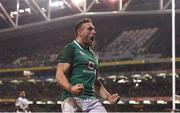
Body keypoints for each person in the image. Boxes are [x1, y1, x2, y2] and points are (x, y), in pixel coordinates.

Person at [56, 18, 120, 113]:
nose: (94, 32)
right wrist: (71, 88)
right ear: (80, 32)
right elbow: (59, 75)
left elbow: (96, 83)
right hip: (71, 98)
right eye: (90, 29)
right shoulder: (71, 48)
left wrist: (108, 97)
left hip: (91, 100)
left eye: (94, 29)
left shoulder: (94, 56)